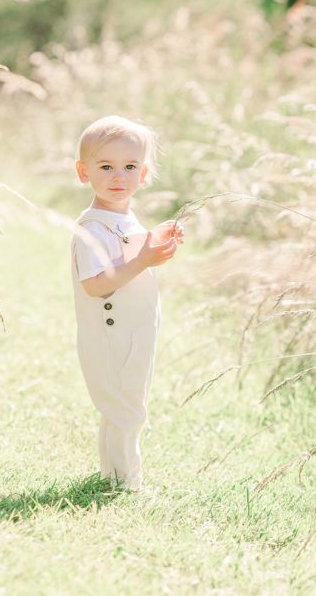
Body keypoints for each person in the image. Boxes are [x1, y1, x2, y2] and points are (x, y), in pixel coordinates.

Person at [71, 116, 184, 491]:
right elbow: (97, 285)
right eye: (106, 167)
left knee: (124, 405)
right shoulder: (92, 228)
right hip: (112, 333)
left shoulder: (122, 219)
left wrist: (154, 241)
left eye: (129, 167)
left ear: (144, 173)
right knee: (126, 409)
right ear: (84, 172)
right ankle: (125, 484)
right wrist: (143, 260)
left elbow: (131, 251)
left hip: (133, 331)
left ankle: (112, 475)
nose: (118, 176)